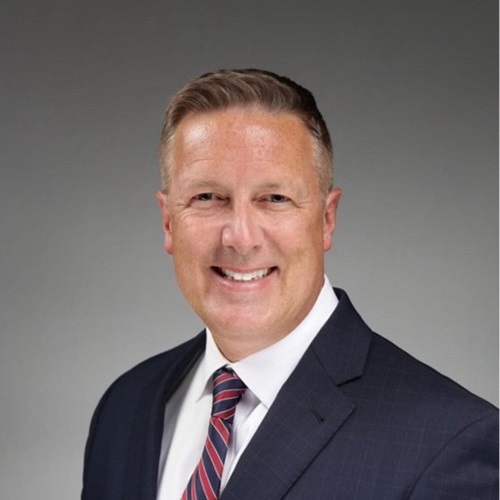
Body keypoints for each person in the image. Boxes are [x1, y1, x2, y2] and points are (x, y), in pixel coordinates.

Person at [82, 69, 498, 499]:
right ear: (169, 221)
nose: (241, 238)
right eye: (207, 197)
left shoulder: (448, 441)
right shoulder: (126, 406)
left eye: (275, 198)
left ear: (326, 219)